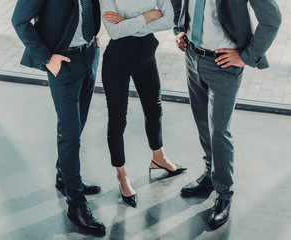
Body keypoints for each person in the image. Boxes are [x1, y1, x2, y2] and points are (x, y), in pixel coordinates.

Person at [171, 0, 281, 226]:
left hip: (224, 64)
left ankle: (224, 194)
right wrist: (180, 28)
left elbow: (272, 18)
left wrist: (246, 56)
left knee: (219, 130)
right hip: (192, 56)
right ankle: (211, 173)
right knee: (201, 121)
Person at [11, 0, 106, 236]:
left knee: (78, 123)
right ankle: (76, 205)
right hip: (62, 62)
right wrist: (47, 58)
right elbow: (20, 20)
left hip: (89, 54)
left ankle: (64, 176)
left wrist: (93, 36)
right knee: (70, 134)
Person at [100, 0, 187, 208]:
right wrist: (148, 16)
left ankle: (159, 158)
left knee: (154, 108)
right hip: (118, 60)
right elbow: (114, 31)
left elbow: (168, 20)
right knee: (118, 119)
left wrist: (128, 23)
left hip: (147, 54)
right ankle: (121, 175)